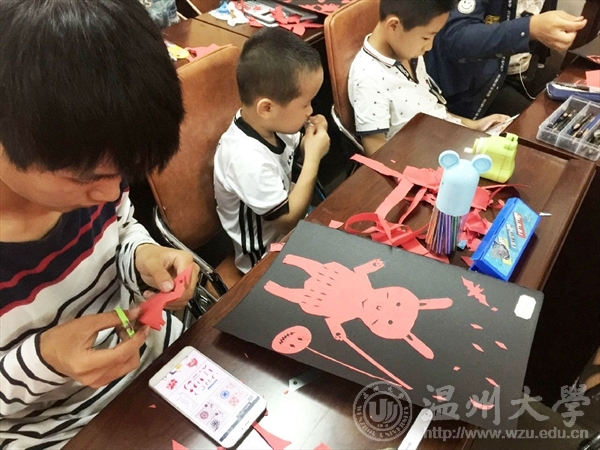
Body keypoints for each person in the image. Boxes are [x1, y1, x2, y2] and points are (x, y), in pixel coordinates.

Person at [0, 1, 199, 447]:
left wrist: (143, 257)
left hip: (157, 368)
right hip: (49, 428)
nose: (111, 193)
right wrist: (46, 359)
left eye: (122, 174)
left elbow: (120, 228)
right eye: (85, 178)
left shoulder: (95, 170)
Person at [214, 28, 330, 273]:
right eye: (305, 104)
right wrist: (313, 156)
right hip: (266, 260)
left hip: (298, 232)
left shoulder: (275, 123)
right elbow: (287, 220)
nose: (311, 111)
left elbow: (295, 150)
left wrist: (311, 139)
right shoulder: (245, 159)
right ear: (267, 108)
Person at [348, 0, 508, 156]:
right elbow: (376, 151)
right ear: (393, 26)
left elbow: (430, 108)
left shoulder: (408, 52)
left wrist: (474, 125)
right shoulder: (369, 78)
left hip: (444, 138)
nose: (429, 46)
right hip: (419, 158)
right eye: (426, 38)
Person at [426, 0, 587, 120]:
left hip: (518, 67)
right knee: (538, 128)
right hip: (471, 84)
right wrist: (530, 28)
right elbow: (455, 39)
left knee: (580, 99)